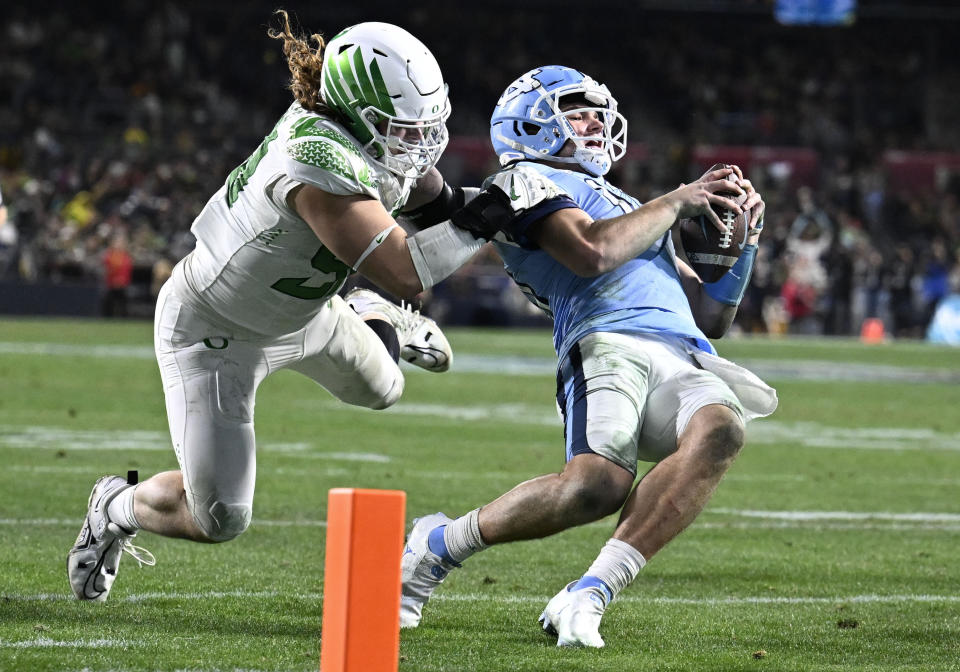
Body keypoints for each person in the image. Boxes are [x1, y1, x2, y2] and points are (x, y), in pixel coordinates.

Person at [66, 14, 556, 602]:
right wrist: (496, 209)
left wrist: (517, 222)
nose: (419, 144)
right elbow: (405, 269)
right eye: (403, 129)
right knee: (219, 517)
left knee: (385, 388)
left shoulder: (365, 131)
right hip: (217, 331)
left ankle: (370, 308)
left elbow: (438, 205)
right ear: (356, 113)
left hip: (306, 312)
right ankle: (115, 505)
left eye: (424, 126)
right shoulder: (316, 160)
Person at [400, 65, 779, 647]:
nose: (596, 124)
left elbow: (711, 318)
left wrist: (742, 248)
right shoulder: (527, 180)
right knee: (593, 489)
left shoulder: (624, 202)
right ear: (529, 126)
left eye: (600, 115)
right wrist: (678, 201)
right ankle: (439, 545)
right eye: (577, 114)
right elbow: (590, 252)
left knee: (722, 428)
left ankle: (590, 591)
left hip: (682, 351)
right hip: (605, 342)